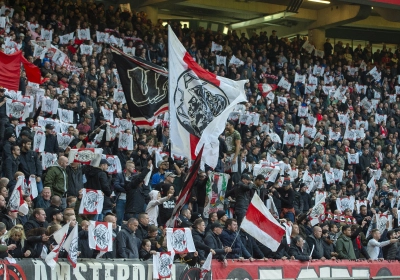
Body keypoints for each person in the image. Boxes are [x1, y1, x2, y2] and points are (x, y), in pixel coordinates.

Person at [113, 160, 136, 225]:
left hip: (130, 200)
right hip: (120, 199)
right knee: (119, 217)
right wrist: (126, 189)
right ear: (128, 167)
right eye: (132, 167)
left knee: (130, 218)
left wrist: (124, 186)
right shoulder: (120, 175)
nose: (134, 169)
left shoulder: (134, 176)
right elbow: (116, 185)